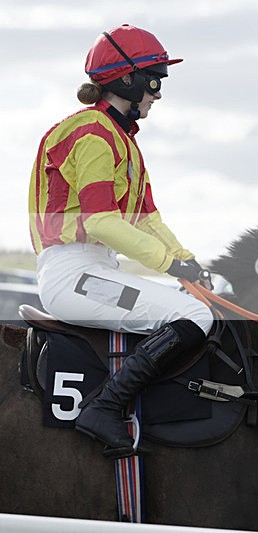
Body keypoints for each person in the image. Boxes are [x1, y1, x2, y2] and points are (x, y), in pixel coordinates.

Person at [28, 24, 214, 459]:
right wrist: (170, 266)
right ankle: (104, 409)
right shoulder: (93, 134)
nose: (159, 94)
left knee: (195, 305)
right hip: (72, 273)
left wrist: (189, 261)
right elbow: (102, 224)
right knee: (193, 316)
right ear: (128, 78)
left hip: (94, 270)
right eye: (156, 80)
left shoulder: (122, 141)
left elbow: (147, 219)